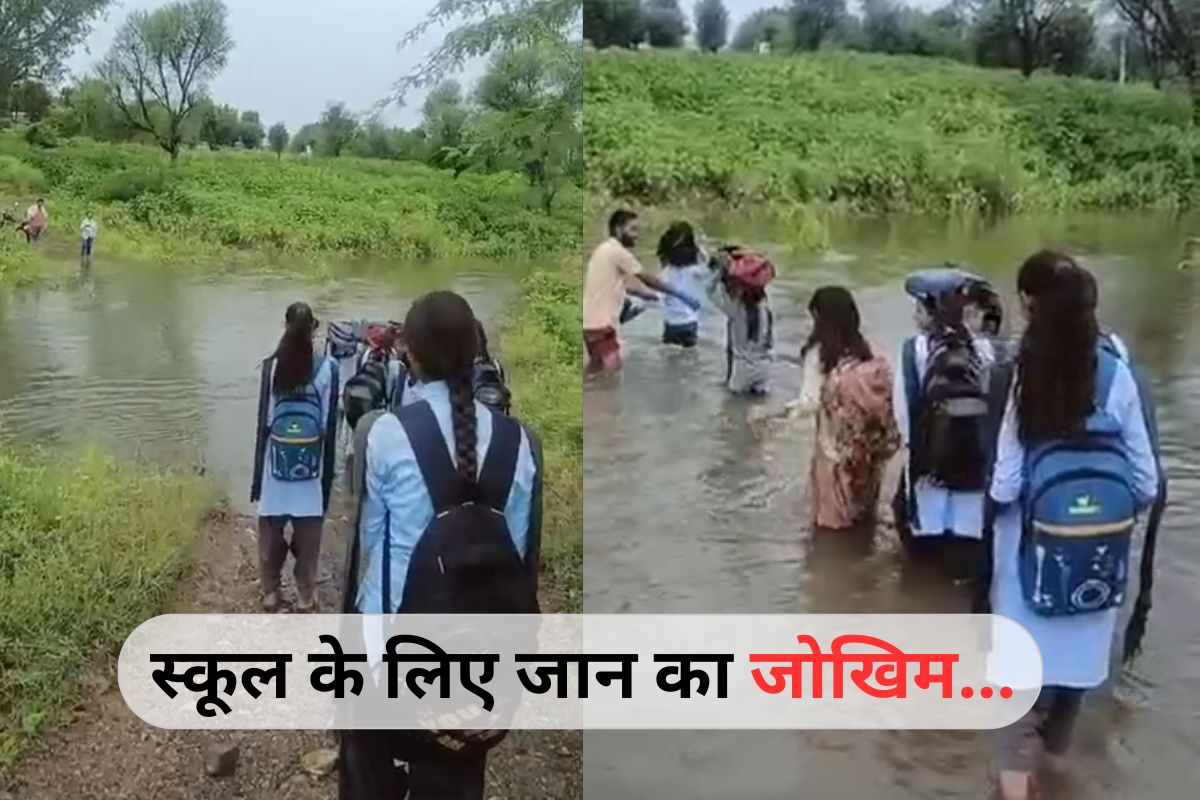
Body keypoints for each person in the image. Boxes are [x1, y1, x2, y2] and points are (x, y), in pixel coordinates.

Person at [339, 291, 542, 800]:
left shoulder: (384, 433)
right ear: (478, 352)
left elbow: (372, 547)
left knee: (370, 780)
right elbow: (519, 559)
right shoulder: (520, 443)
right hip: (480, 661)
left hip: (390, 650)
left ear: (409, 352)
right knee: (456, 780)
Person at [985, 259, 1159, 800]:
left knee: (1016, 716)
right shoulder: (1118, 373)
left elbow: (1006, 485)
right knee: (1066, 701)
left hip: (1027, 571)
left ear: (1031, 306)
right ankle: (1056, 780)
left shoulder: (1022, 374)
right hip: (1094, 576)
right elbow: (1147, 483)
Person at [892, 268, 997, 575]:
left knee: (921, 572)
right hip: (974, 486)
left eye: (919, 309)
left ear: (931, 311)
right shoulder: (986, 351)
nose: (914, 317)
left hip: (928, 482)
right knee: (964, 574)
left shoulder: (914, 350)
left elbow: (904, 414)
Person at [249, 301, 340, 613]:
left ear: (284, 325)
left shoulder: (272, 366)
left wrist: (259, 479)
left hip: (276, 468)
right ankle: (304, 597)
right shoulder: (328, 368)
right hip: (310, 470)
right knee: (309, 539)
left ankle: (271, 594)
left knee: (270, 534)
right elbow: (328, 423)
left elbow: (266, 422)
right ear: (314, 329)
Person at [789, 287, 900, 530]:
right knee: (863, 508)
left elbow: (810, 402)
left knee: (831, 522)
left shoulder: (819, 354)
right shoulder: (869, 351)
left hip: (834, 448)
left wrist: (784, 413)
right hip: (867, 447)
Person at [582, 209, 701, 375]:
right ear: (618, 229)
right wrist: (681, 295)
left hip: (589, 324)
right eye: (632, 229)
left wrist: (649, 297)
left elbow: (625, 286)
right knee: (611, 374)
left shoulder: (602, 250)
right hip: (603, 326)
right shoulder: (618, 252)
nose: (636, 235)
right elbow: (647, 279)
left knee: (595, 371)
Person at [708, 246, 775, 395]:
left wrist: (719, 273)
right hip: (766, 367)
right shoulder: (765, 305)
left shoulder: (735, 309)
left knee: (733, 408)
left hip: (743, 371)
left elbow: (709, 290)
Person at [656, 221, 710, 347]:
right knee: (690, 356)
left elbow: (656, 295)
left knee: (670, 357)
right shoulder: (695, 272)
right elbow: (709, 265)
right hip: (689, 324)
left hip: (671, 325)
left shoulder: (665, 273)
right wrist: (700, 250)